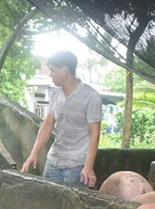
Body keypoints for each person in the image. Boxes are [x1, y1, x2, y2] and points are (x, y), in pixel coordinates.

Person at [21, 51, 102, 188]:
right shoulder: (55, 94)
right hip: (53, 162)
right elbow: (47, 125)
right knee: (47, 201)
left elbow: (95, 132)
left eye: (52, 70)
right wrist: (33, 153)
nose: (50, 74)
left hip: (76, 167)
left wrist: (89, 166)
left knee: (73, 208)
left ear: (64, 71)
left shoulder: (91, 97)